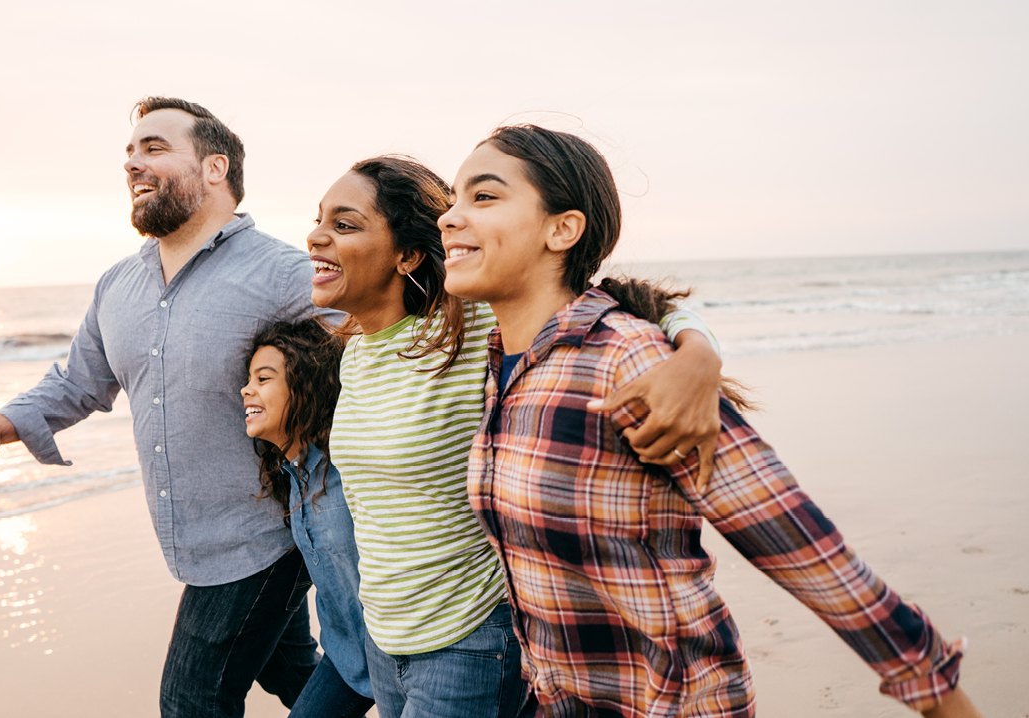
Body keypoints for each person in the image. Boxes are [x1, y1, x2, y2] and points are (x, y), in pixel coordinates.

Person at [441, 124, 982, 717]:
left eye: (484, 196)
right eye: (454, 199)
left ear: (562, 229)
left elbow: (792, 538)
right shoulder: (502, 365)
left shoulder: (629, 361)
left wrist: (936, 692)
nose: (450, 217)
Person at [0, 97, 329, 718]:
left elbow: (380, 349)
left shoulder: (283, 273)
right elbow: (78, 381)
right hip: (194, 541)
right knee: (296, 672)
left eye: (155, 148)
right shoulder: (118, 285)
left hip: (265, 535)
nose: (133, 163)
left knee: (191, 700)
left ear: (216, 168)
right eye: (130, 153)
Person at [305, 155, 726, 718]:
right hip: (385, 635)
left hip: (470, 636)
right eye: (319, 220)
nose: (315, 236)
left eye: (344, 224)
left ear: (406, 255)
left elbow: (620, 305)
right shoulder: (354, 353)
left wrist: (699, 352)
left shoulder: (471, 328)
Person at [240, 318, 375, 718]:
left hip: (395, 655)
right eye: (248, 379)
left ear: (302, 387)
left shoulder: (344, 468)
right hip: (345, 658)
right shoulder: (290, 476)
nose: (246, 389)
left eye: (263, 379)